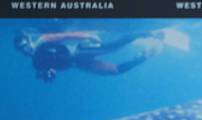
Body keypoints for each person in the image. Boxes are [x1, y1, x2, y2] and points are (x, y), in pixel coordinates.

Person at [13, 30, 161, 82]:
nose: (25, 49)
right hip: (79, 64)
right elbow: (51, 68)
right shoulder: (36, 64)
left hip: (80, 51)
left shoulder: (42, 41)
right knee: (114, 71)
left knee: (113, 47)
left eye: (25, 45)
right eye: (22, 49)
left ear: (29, 40)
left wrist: (87, 36)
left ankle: (148, 33)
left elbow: (65, 35)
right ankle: (145, 56)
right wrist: (49, 74)